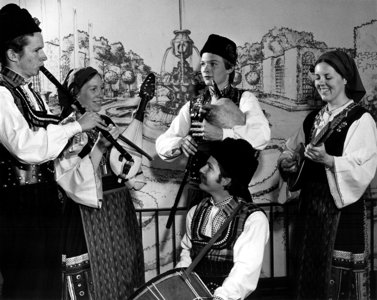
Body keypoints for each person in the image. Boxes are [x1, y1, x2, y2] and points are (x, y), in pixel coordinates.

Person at [0, 4, 107, 300]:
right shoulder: (2, 94)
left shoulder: (27, 91)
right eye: (36, 50)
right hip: (18, 205)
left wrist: (80, 131)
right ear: (12, 54)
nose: (44, 56)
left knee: (47, 284)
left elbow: (47, 139)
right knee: (27, 286)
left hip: (41, 200)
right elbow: (25, 146)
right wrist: (75, 128)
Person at [278, 50, 377, 299]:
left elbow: (363, 166)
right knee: (308, 273)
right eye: (317, 77)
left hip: (342, 211)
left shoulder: (361, 119)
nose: (320, 82)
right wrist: (287, 162)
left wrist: (329, 160)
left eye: (328, 76)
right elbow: (291, 150)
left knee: (336, 277)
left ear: (345, 78)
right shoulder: (313, 118)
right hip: (310, 210)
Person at [56, 67, 145, 299]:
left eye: (102, 88)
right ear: (75, 94)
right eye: (93, 89)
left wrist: (128, 168)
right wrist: (100, 148)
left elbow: (118, 165)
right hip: (85, 212)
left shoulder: (104, 121)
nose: (100, 94)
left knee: (120, 270)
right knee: (91, 276)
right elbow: (69, 180)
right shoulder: (66, 127)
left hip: (116, 210)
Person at [155, 34, 270, 207]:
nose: (206, 69)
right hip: (198, 192)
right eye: (203, 64)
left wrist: (223, 134)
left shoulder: (245, 99)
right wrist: (180, 143)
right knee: (198, 233)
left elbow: (261, 136)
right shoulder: (192, 105)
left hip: (232, 191)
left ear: (230, 68)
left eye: (213, 64)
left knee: (233, 233)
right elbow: (162, 143)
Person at [175, 138, 269, 300]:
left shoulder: (253, 219)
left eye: (210, 167)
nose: (202, 169)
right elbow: (187, 254)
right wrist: (178, 287)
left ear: (226, 180)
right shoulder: (195, 212)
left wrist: (221, 297)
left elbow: (245, 270)